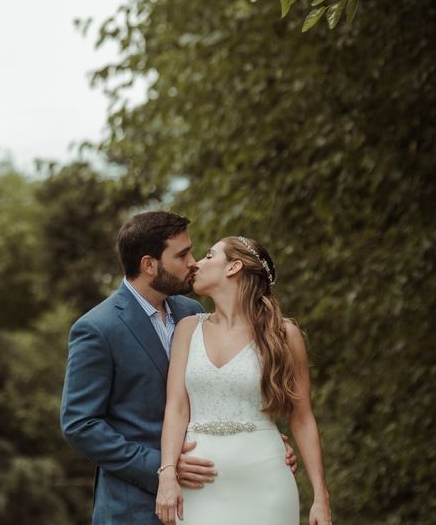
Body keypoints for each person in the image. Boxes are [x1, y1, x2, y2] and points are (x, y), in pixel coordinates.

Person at [61, 213, 297, 524]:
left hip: (208, 498)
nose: (193, 263)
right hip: (133, 507)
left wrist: (255, 439)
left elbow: (213, 391)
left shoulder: (192, 313)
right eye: (182, 255)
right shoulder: (97, 328)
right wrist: (163, 466)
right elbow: (80, 424)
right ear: (149, 265)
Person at [154, 236, 332, 525]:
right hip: (199, 484)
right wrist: (168, 473)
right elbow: (176, 408)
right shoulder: (188, 329)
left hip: (266, 480)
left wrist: (321, 497)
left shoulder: (283, 335)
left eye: (209, 256)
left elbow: (302, 419)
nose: (196, 264)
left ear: (234, 267)